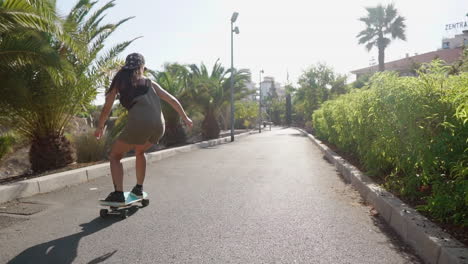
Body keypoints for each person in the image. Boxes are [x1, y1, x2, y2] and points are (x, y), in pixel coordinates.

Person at [95, 53, 192, 205]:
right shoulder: (150, 83)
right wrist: (185, 117)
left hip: (140, 124)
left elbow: (107, 108)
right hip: (160, 126)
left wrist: (100, 126)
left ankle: (118, 194)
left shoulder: (120, 82)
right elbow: (172, 99)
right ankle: (138, 188)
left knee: (115, 156)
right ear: (141, 67)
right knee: (140, 151)